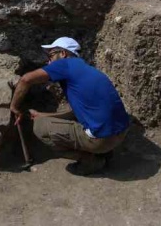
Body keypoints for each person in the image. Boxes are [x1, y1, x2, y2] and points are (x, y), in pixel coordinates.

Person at [9, 37, 130, 175]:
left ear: (63, 54)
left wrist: (14, 107)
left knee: (40, 126)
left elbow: (26, 79)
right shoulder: (86, 70)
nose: (48, 62)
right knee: (47, 119)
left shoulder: (65, 64)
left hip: (101, 141)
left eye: (51, 55)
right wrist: (44, 115)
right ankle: (105, 154)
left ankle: (90, 161)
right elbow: (77, 112)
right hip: (120, 135)